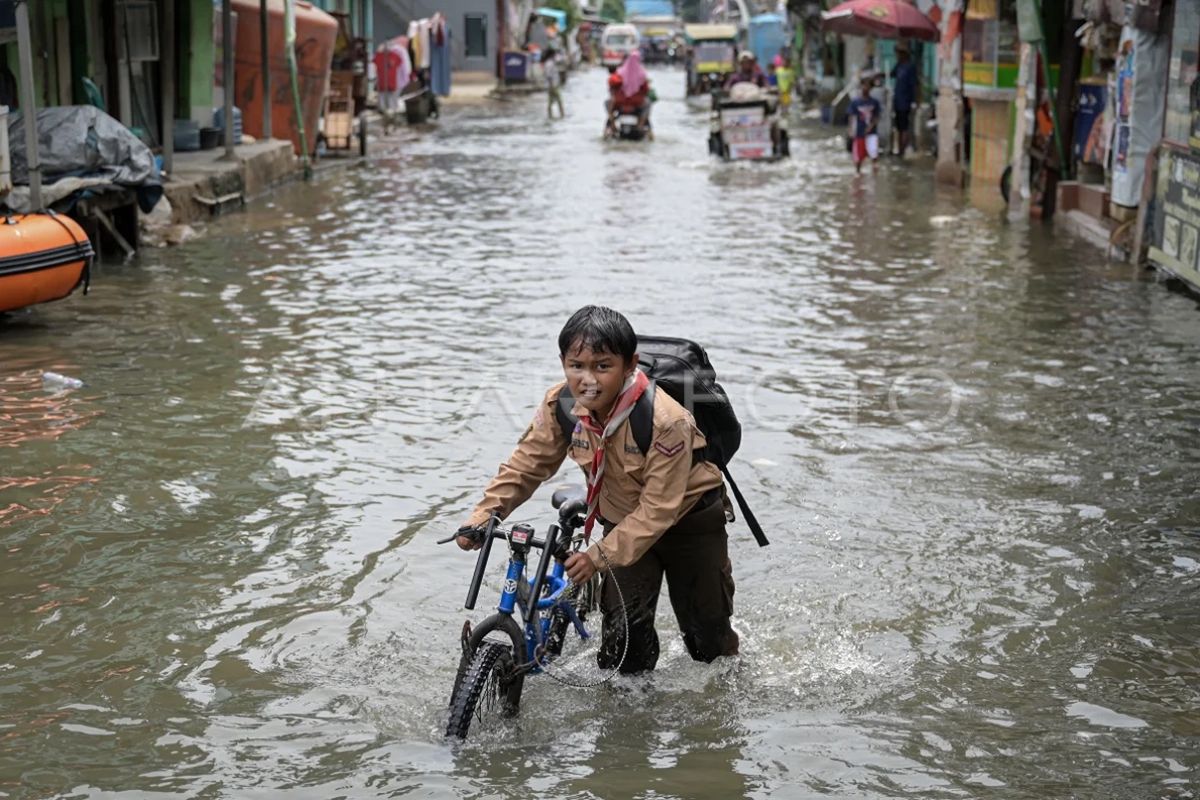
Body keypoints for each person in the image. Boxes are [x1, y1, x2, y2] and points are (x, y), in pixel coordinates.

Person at [455, 306, 739, 674]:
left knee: (708, 645)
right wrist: (485, 514)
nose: (588, 380)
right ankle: (632, 717)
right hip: (622, 524)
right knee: (623, 649)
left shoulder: (667, 421)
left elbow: (659, 509)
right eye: (577, 366)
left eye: (602, 366)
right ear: (563, 363)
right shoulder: (562, 405)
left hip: (691, 523)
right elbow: (527, 463)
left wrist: (596, 557)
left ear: (629, 365)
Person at [847, 77, 882, 174]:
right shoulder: (855, 102)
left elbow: (877, 116)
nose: (865, 88)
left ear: (871, 88)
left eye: (867, 86)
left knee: (874, 152)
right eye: (863, 85)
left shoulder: (874, 102)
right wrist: (850, 130)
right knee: (859, 157)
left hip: (872, 132)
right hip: (859, 133)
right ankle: (858, 174)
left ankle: (874, 175)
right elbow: (851, 117)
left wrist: (871, 126)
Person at [890, 43, 919, 156]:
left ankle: (902, 150)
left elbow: (915, 85)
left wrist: (915, 101)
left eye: (899, 54)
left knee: (904, 127)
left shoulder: (910, 67)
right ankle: (899, 149)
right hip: (897, 101)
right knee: (898, 127)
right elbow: (891, 74)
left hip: (906, 102)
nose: (897, 56)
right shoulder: (899, 66)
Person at [543, 46, 564, 119]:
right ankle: (562, 114)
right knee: (559, 100)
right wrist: (552, 86)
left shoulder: (551, 62)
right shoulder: (549, 64)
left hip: (553, 85)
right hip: (553, 86)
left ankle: (550, 115)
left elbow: (560, 59)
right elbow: (549, 75)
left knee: (551, 101)